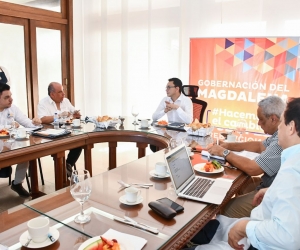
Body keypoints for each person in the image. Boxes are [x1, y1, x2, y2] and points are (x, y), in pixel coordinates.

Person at [185, 97, 300, 250]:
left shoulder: (292, 169)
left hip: (258, 241)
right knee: (216, 225)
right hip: (261, 219)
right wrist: (273, 191)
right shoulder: (293, 159)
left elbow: (288, 237)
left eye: (282, 122)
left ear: (291, 127)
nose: (279, 127)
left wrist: (245, 227)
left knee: (221, 211)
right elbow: (260, 146)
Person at [208, 96, 285, 218]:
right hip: (271, 184)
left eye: (261, 120)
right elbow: (259, 146)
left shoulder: (282, 139)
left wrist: (224, 153)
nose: (258, 123)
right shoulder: (278, 133)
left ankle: (234, 228)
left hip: (274, 194)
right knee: (236, 185)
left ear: (273, 119)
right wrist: (229, 145)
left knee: (224, 208)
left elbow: (253, 169)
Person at [0, 83, 41, 197]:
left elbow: (26, 122)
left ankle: (17, 183)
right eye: (6, 97)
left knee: (25, 154)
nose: (11, 99)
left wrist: (35, 123)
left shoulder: (12, 108)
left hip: (10, 145)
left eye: (10, 96)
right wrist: (9, 127)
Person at [37, 82, 82, 177]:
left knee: (79, 142)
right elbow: (42, 119)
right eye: (60, 92)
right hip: (51, 134)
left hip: (66, 131)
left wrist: (76, 114)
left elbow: (73, 112)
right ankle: (63, 171)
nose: (63, 94)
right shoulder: (43, 103)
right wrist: (58, 116)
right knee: (59, 148)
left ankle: (68, 165)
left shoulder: (65, 101)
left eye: (63, 91)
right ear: (52, 94)